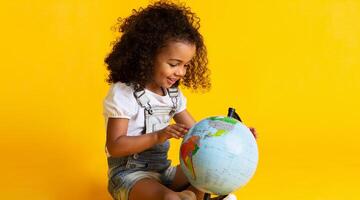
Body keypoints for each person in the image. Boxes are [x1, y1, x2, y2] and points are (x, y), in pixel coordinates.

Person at [103, 1, 256, 200]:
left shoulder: (173, 96)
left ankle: (191, 195)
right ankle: (186, 196)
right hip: (130, 176)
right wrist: (157, 136)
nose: (180, 72)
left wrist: (236, 136)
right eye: (174, 64)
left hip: (164, 174)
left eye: (186, 65)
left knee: (207, 171)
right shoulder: (124, 93)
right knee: (171, 198)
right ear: (147, 56)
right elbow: (115, 146)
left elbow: (198, 136)